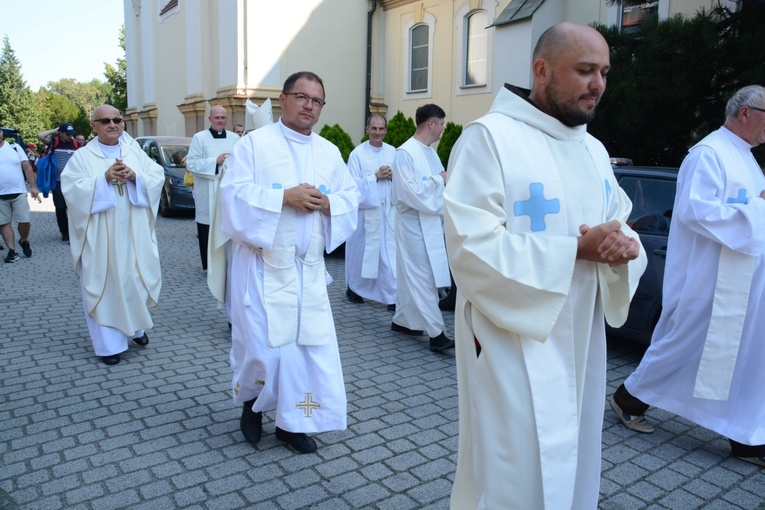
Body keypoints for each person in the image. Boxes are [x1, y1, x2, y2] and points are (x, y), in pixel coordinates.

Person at [443, 22, 646, 509]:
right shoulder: (489, 139)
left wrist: (624, 247)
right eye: (584, 71)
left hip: (583, 336)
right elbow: (470, 247)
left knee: (575, 460)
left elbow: (618, 219)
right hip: (511, 338)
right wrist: (573, 251)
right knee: (515, 469)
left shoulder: (594, 150)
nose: (597, 84)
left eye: (603, 72)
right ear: (541, 71)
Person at [610, 84, 765, 467]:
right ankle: (628, 397)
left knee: (742, 357)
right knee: (684, 346)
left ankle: (744, 435)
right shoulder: (708, 153)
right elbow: (696, 211)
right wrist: (759, 211)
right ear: (745, 113)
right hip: (710, 277)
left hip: (743, 279)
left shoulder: (745, 158)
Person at [220, 71, 358, 454]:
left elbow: (350, 196)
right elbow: (232, 197)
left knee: (304, 352)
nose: (309, 105)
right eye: (302, 96)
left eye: (317, 100)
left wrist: (329, 203)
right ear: (283, 99)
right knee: (264, 349)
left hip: (307, 273)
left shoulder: (329, 152)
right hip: (263, 269)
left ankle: (291, 423)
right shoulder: (255, 146)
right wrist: (285, 197)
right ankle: (252, 407)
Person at [61, 105, 164, 366]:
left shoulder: (133, 151)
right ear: (93, 126)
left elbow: (156, 175)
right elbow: (72, 189)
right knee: (106, 285)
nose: (113, 124)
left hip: (132, 232)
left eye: (117, 119)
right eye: (105, 120)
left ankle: (137, 329)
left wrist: (135, 176)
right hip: (101, 237)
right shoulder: (82, 157)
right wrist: (103, 178)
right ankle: (109, 346)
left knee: (134, 279)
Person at [390, 103, 454, 353]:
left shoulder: (430, 152)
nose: (443, 129)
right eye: (441, 124)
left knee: (411, 276)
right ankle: (437, 333)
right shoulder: (405, 153)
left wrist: (439, 182)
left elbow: (438, 183)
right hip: (412, 223)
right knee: (422, 277)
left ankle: (403, 321)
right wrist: (439, 180)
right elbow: (411, 192)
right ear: (431, 123)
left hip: (428, 221)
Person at [344, 114, 397, 309]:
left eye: (381, 129)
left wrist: (393, 177)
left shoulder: (393, 152)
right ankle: (355, 288)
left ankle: (391, 295)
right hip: (365, 214)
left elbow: (404, 179)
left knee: (388, 255)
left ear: (386, 130)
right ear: (367, 129)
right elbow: (351, 185)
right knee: (362, 253)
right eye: (374, 128)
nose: (377, 132)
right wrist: (374, 177)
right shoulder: (357, 154)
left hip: (388, 213)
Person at [187, 105, 239, 271]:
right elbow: (191, 163)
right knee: (207, 226)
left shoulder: (234, 138)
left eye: (223, 117)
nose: (220, 121)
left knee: (227, 226)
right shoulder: (199, 138)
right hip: (207, 190)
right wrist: (214, 163)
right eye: (217, 117)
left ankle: (229, 262)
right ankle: (209, 265)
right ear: (210, 119)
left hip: (227, 190)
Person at [0, 129, 39, 262]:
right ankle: (12, 251)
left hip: (19, 192)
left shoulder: (14, 147)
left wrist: (33, 187)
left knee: (24, 221)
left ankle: (23, 239)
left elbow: (27, 167)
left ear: (1, 133)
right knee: (4, 223)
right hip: (0, 196)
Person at [37, 123, 80, 242]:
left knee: (73, 208)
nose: (70, 136)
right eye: (67, 134)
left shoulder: (76, 144)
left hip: (73, 182)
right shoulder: (54, 142)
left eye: (72, 134)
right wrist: (54, 130)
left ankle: (74, 231)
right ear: (60, 133)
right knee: (60, 208)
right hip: (58, 181)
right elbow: (40, 135)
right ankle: (65, 233)